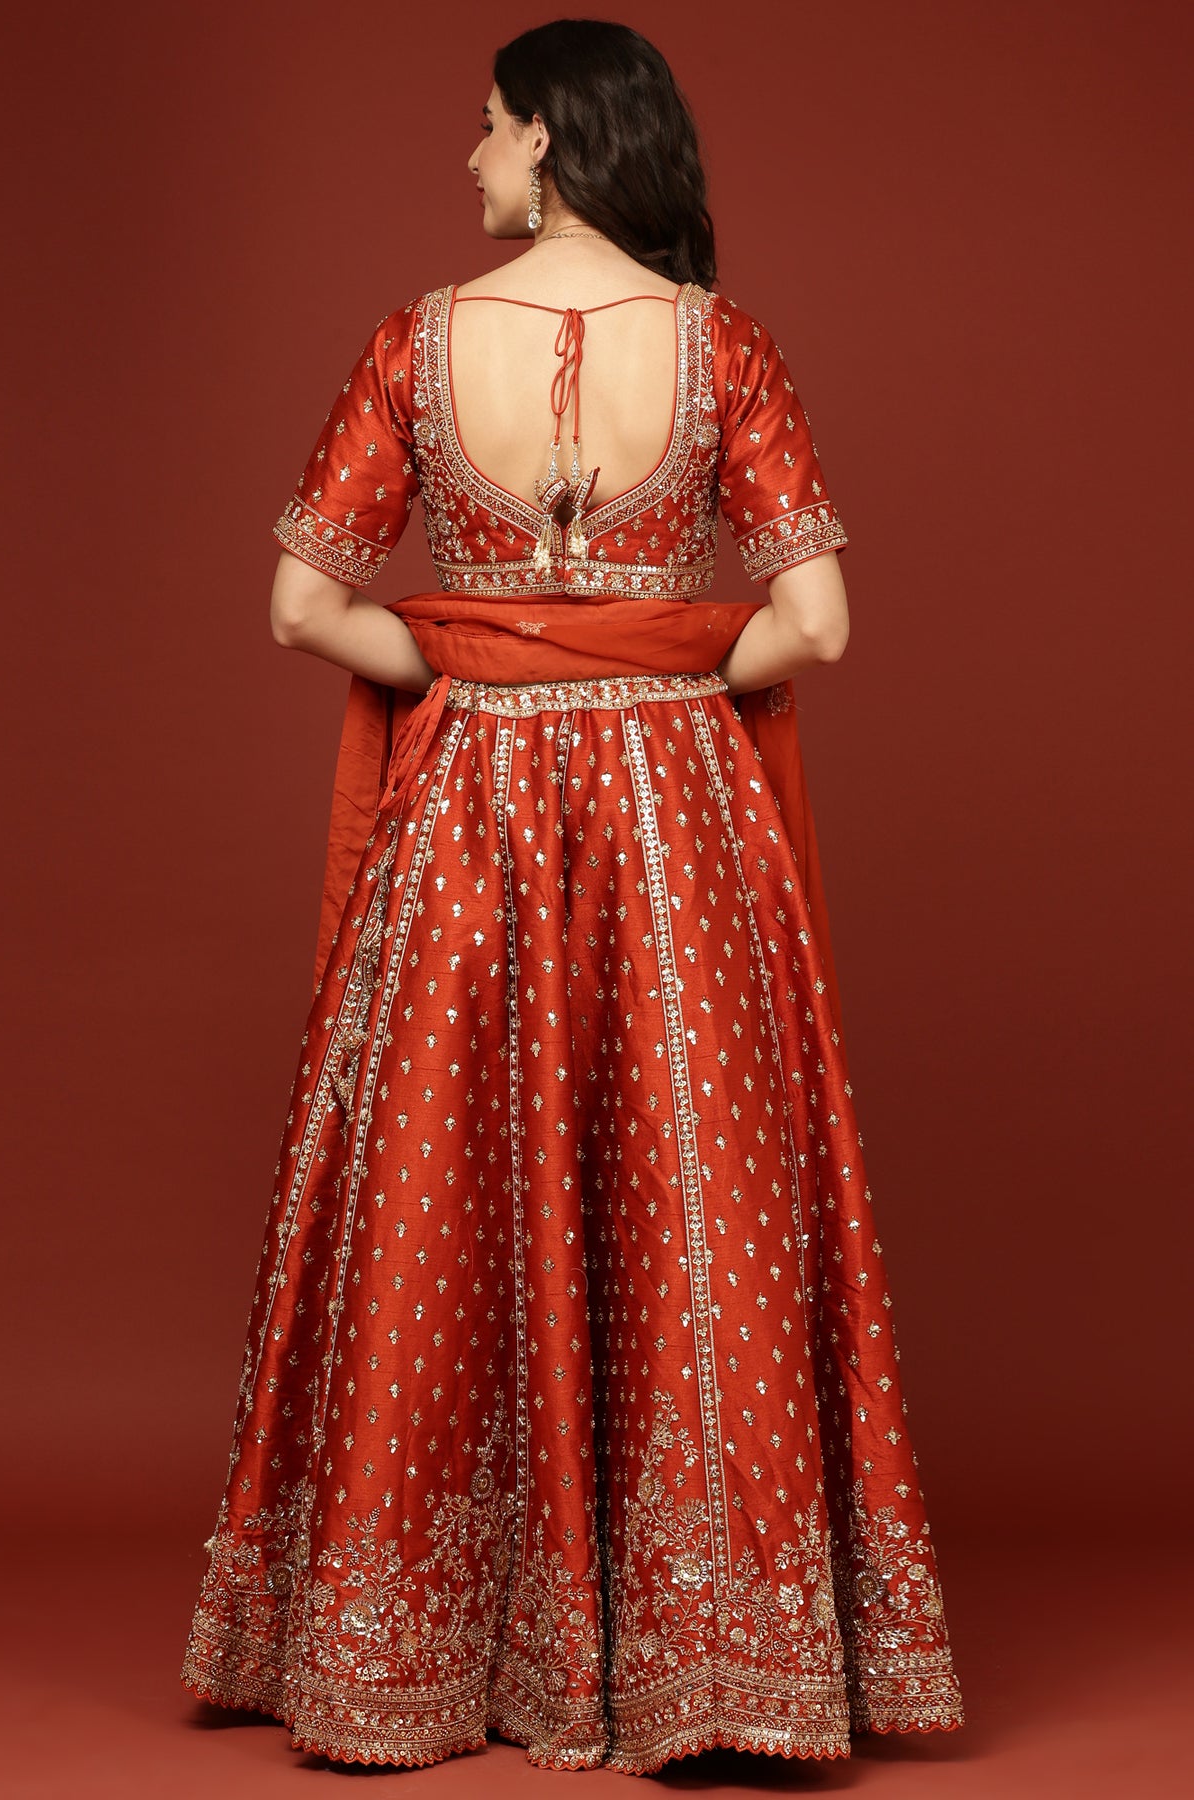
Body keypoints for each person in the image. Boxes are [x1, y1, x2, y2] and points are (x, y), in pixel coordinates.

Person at [180, 16, 966, 1775]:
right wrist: (656, 665)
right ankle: (721, 1662)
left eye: (484, 126)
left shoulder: (413, 342)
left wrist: (486, 659)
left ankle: (421, 1657)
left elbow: (304, 606)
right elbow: (817, 624)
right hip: (676, 808)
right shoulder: (720, 345)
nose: (469, 158)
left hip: (470, 798)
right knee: (694, 1189)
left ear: (545, 137)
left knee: (439, 1182)